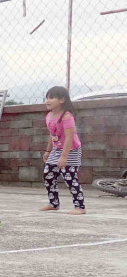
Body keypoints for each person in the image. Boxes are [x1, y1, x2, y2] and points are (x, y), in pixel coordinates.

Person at [40, 85, 86, 215]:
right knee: (48, 174)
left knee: (70, 177)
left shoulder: (66, 117)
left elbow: (70, 138)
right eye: (47, 98)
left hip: (71, 150)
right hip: (56, 149)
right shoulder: (49, 116)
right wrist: (48, 151)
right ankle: (53, 203)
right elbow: (52, 135)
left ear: (62, 100)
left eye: (51, 98)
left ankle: (80, 206)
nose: (47, 101)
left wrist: (64, 156)